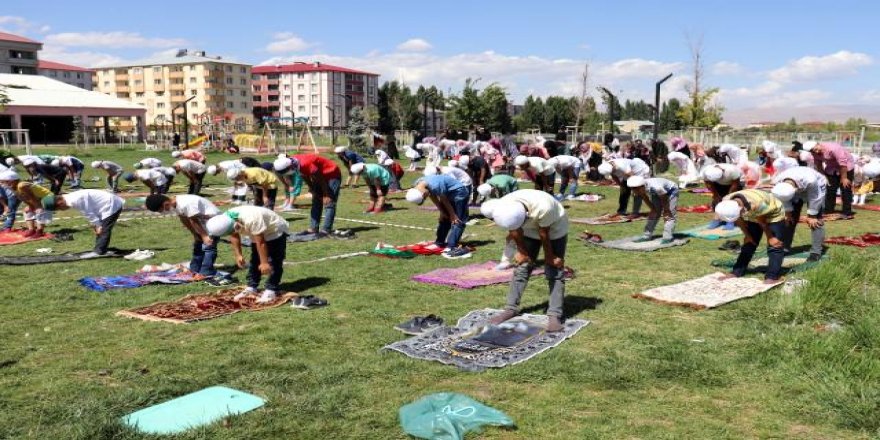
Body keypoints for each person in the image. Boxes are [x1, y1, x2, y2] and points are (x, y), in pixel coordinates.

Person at [486, 189, 569, 332]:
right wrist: (522, 252)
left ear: (526, 215)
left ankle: (554, 315)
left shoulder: (544, 207)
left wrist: (550, 257)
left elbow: (544, 234)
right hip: (529, 231)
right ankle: (510, 309)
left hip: (554, 230)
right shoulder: (506, 206)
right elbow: (514, 230)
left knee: (554, 269)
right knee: (522, 267)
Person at [207, 206, 288, 303]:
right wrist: (238, 255)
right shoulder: (225, 219)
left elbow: (261, 243)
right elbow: (234, 234)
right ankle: (251, 287)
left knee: (275, 261)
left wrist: (264, 263)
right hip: (256, 232)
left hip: (274, 230)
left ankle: (271, 289)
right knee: (255, 259)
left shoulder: (252, 219)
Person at [145, 194, 225, 280]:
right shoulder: (175, 205)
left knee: (209, 247)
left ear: (165, 204)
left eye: (161, 210)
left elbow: (194, 220)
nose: (163, 212)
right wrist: (195, 234)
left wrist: (204, 236)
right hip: (203, 223)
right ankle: (194, 269)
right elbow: (184, 219)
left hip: (214, 222)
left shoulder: (186, 203)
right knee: (198, 246)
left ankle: (207, 271)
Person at [715, 189, 787, 283]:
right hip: (753, 213)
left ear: (741, 207)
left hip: (773, 213)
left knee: (775, 245)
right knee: (749, 243)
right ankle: (736, 272)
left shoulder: (757, 203)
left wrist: (771, 237)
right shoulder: (727, 202)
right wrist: (748, 235)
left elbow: (763, 223)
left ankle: (772, 276)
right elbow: (739, 220)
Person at [405, 174, 472, 259]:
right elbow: (432, 196)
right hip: (447, 194)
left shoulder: (435, 185)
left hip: (459, 193)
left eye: (424, 198)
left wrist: (453, 215)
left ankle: (451, 246)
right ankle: (439, 243)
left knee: (458, 220)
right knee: (444, 218)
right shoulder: (418, 185)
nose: (426, 198)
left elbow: (444, 200)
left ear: (423, 194)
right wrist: (442, 212)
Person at [41, 189, 123, 256]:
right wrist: (96, 225)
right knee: (100, 228)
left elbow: (88, 212)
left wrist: (98, 225)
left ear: (59, 202)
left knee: (104, 229)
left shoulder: (75, 200)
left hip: (111, 204)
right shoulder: (69, 198)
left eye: (59, 209)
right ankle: (100, 248)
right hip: (102, 206)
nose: (61, 210)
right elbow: (89, 212)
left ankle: (99, 252)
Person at [771, 166, 828, 262]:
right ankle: (785, 247)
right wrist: (788, 212)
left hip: (817, 188)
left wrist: (812, 215)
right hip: (795, 189)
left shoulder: (811, 180)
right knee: (789, 220)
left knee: (815, 221)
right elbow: (783, 199)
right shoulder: (778, 182)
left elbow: (816, 197)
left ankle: (816, 252)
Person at [290, 153, 342, 235]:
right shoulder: (292, 162)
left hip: (332, 174)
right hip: (318, 176)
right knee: (316, 201)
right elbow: (303, 175)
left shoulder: (305, 163)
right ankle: (313, 228)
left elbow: (321, 179)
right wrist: (312, 188)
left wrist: (326, 194)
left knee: (329, 202)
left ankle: (326, 229)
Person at [809, 141, 854, 218]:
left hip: (846, 167)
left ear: (818, 144)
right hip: (831, 168)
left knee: (845, 189)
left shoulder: (834, 148)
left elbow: (843, 163)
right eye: (814, 151)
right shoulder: (814, 153)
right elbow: (819, 165)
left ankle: (847, 212)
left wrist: (844, 178)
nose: (816, 152)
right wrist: (824, 178)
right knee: (830, 189)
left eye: (816, 149)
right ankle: (828, 211)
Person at [627, 176, 679, 243]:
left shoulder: (657, 187)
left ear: (642, 186)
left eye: (636, 189)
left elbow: (664, 198)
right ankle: (646, 236)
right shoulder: (639, 188)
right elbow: (644, 197)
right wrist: (653, 209)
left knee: (669, 215)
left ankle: (667, 237)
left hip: (671, 190)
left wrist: (666, 210)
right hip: (657, 193)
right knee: (654, 213)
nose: (634, 191)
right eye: (632, 189)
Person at [0, 171, 52, 237]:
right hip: (38, 199)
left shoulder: (22, 185)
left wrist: (36, 206)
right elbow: (23, 198)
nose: (2, 184)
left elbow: (32, 197)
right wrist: (30, 206)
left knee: (39, 211)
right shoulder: (12, 188)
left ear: (11, 181)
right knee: (26, 211)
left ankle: (40, 231)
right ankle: (31, 230)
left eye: (3, 181)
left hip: (48, 198)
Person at [701, 163, 744, 229]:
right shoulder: (706, 171)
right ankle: (717, 219)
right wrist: (715, 194)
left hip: (734, 183)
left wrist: (729, 196)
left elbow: (735, 184)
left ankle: (731, 220)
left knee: (733, 202)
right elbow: (709, 184)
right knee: (718, 201)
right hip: (718, 184)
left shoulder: (732, 171)